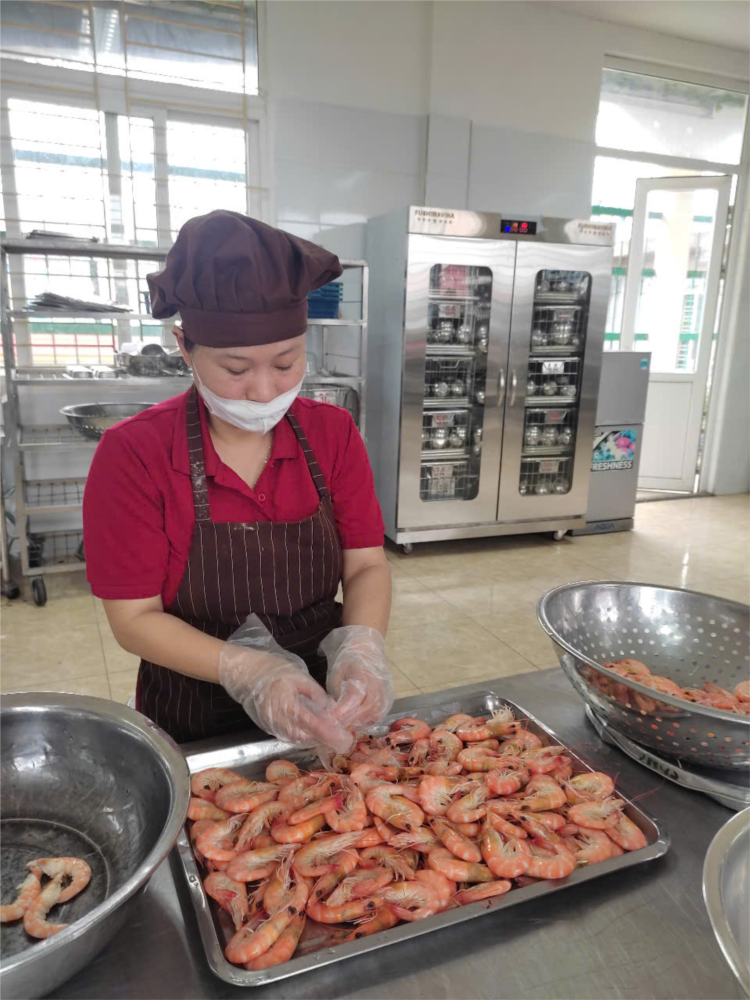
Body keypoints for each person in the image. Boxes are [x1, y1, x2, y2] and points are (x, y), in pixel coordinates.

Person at [83, 210, 393, 752]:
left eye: (285, 363)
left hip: (324, 703)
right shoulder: (134, 453)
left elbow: (366, 564)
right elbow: (133, 619)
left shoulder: (333, 432)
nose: (264, 390)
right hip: (192, 712)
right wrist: (250, 670)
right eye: (235, 369)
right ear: (185, 346)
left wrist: (361, 649)